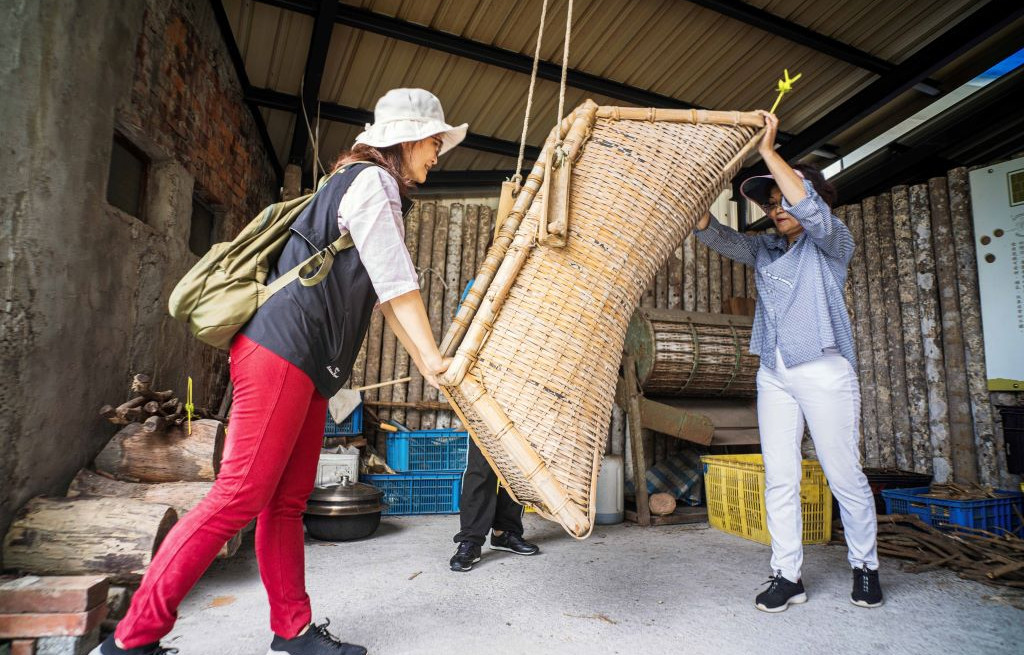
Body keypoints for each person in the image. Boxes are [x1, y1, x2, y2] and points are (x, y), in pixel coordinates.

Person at [93, 88, 467, 655]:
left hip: (307, 362)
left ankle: (292, 631)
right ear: (408, 138)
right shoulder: (373, 183)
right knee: (238, 496)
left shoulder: (352, 183)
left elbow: (387, 299)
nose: (437, 155)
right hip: (283, 352)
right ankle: (130, 641)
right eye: (435, 142)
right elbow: (397, 286)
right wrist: (436, 360)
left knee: (287, 502)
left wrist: (429, 363)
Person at [694, 110, 882, 613]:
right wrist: (695, 195)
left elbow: (811, 210)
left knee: (844, 475)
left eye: (786, 200)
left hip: (823, 370)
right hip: (774, 375)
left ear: (812, 200)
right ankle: (787, 574)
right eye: (772, 204)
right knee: (781, 474)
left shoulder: (833, 244)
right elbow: (719, 236)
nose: (779, 209)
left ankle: (865, 567)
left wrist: (768, 151)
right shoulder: (767, 251)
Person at [449, 439, 540, 572]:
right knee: (480, 466)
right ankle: (471, 538)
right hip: (483, 418)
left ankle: (504, 533)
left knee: (516, 465)